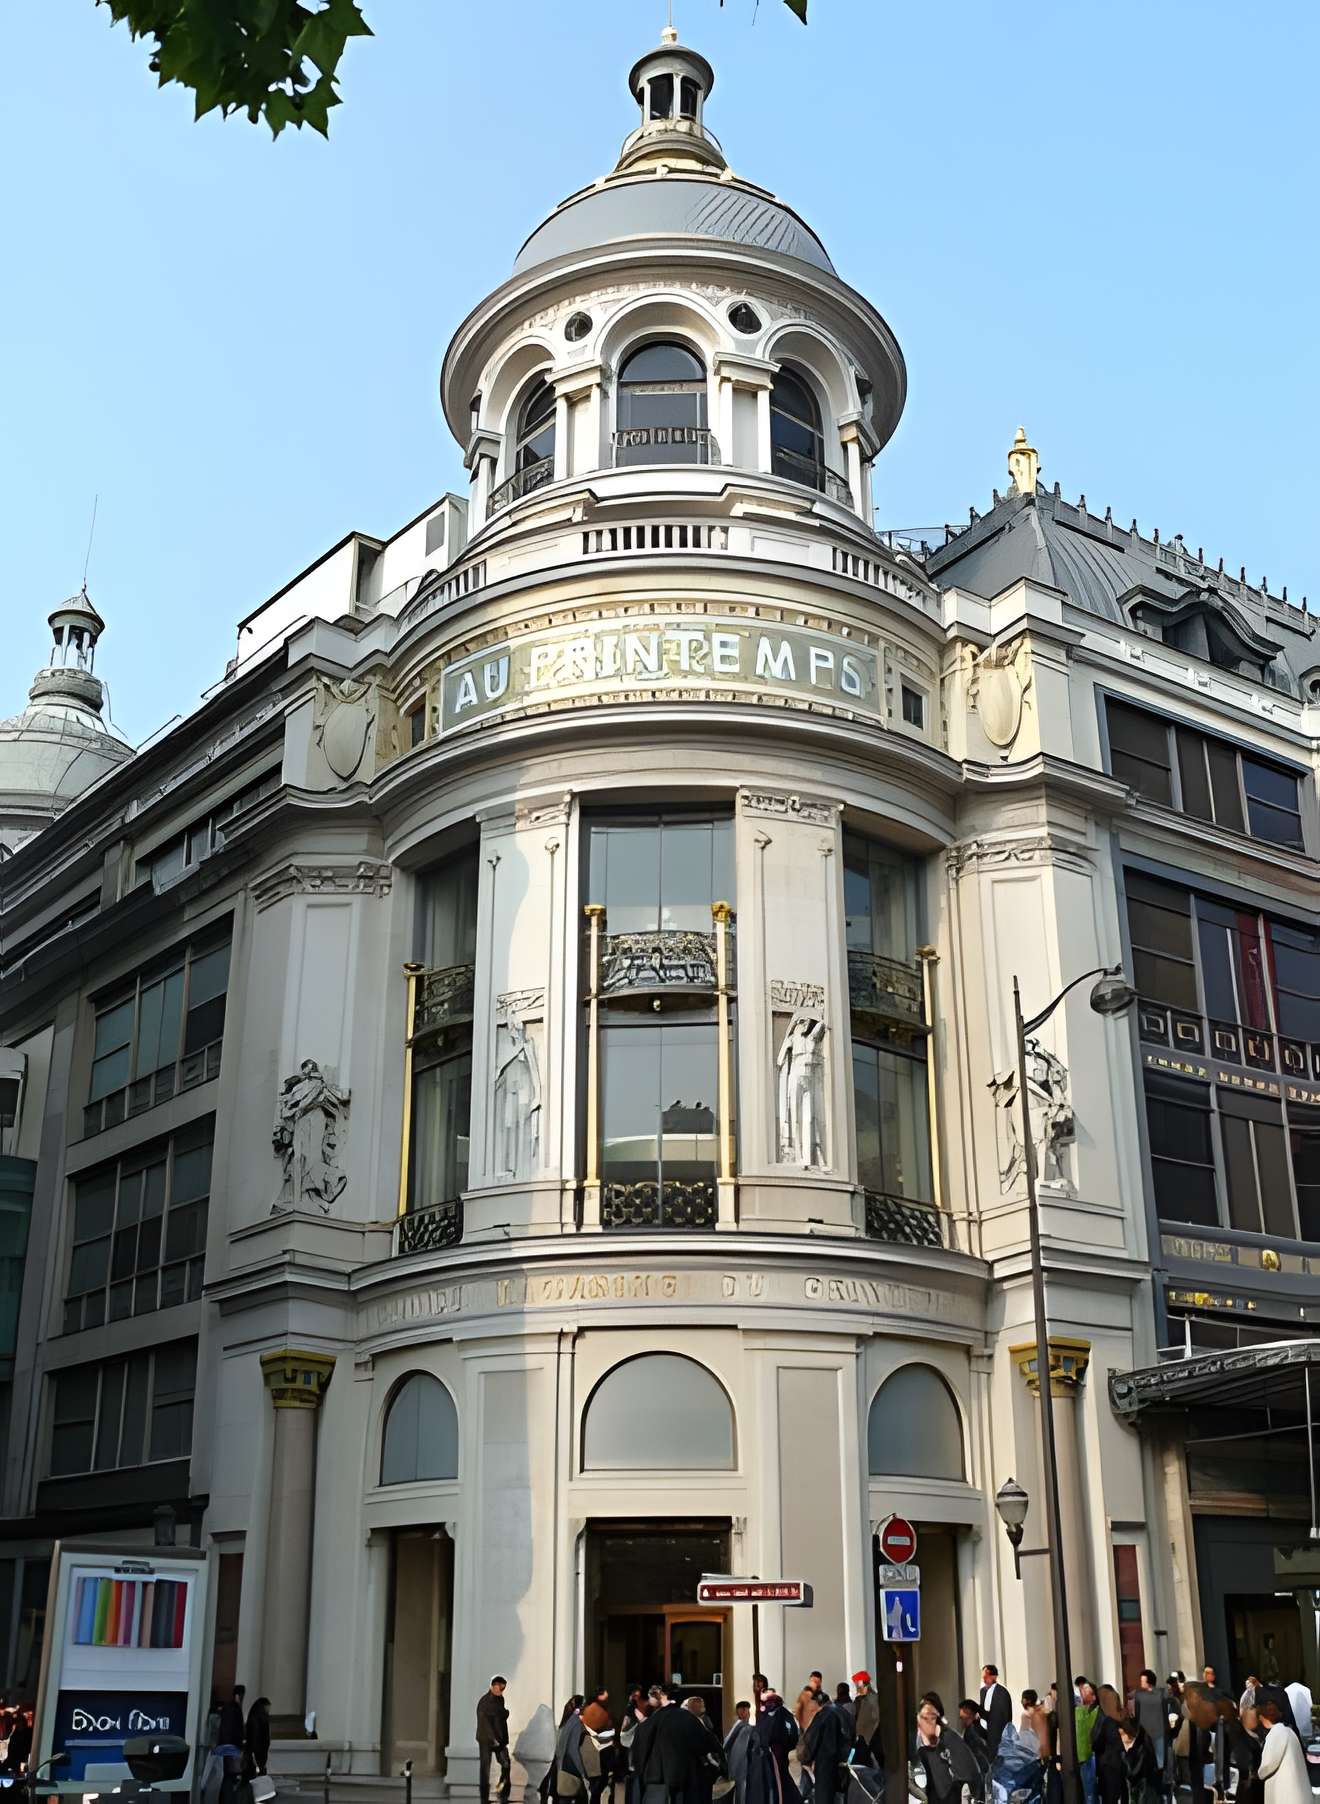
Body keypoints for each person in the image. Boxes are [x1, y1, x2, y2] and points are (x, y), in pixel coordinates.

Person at [633, 1682, 720, 1804]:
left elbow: (638, 1753)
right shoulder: (688, 1719)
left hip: (656, 1784)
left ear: (661, 1694)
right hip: (684, 1783)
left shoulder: (650, 1722)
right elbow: (707, 1744)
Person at [745, 1693, 798, 1804]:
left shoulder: (767, 1715)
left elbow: (760, 1734)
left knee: (775, 1778)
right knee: (780, 1777)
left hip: (770, 1753)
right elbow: (793, 1736)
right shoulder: (784, 1714)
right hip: (776, 1753)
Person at [1258, 1697, 1310, 1804]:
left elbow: (1267, 1766)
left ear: (1262, 1717)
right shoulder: (1289, 1731)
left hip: (1285, 1795)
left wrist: (1258, 1773)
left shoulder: (1277, 1733)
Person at [800, 1692, 849, 1804]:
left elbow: (812, 1738)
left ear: (818, 1702)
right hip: (844, 1763)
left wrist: (805, 1757)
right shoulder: (843, 1711)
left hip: (825, 1764)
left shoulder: (823, 1715)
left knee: (824, 1798)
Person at [477, 1676, 512, 1804]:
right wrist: (493, 1739)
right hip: (486, 1739)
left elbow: (500, 1716)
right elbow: (484, 1723)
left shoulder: (499, 1699)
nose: (502, 1691)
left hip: (500, 1738)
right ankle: (484, 1799)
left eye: (504, 1688)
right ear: (493, 1686)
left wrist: (505, 1713)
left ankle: (503, 1792)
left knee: (506, 1763)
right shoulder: (484, 1702)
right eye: (501, 1688)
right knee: (485, 1769)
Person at [1131, 1672, 1168, 1787]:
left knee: (1151, 1758)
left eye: (1143, 1680)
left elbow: (1137, 1714)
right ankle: (1158, 1783)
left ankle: (1153, 1784)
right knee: (1158, 1759)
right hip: (1154, 1731)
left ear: (1149, 1682)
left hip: (1149, 1731)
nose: (1141, 1682)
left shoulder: (1139, 1695)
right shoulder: (1160, 1694)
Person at [1118, 1718, 1160, 1804]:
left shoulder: (1144, 1740)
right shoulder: (1144, 1737)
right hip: (1146, 1778)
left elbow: (1136, 1767)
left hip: (1144, 1778)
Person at [216, 1686, 246, 1804]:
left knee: (228, 1776)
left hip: (227, 1747)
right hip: (230, 1747)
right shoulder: (234, 1709)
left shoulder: (230, 1708)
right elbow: (230, 1730)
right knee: (230, 1775)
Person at [1074, 1679, 1100, 1804]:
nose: (1082, 1692)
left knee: (1090, 1792)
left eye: (1086, 1690)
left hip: (1090, 1756)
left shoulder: (1097, 1712)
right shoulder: (1078, 1711)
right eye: (1081, 1690)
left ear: (1094, 1697)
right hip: (1077, 1758)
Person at [851, 1674, 884, 1771]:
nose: (856, 1687)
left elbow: (876, 1719)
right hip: (864, 1739)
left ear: (861, 1683)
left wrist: (869, 1738)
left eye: (857, 1684)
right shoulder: (862, 1699)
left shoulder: (872, 1699)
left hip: (869, 1740)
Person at [979, 1666, 1012, 1762]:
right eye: (983, 1677)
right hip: (984, 1735)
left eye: (986, 1676)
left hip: (998, 1735)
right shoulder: (982, 1691)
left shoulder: (1002, 1693)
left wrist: (1005, 1738)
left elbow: (1006, 1716)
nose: (984, 1679)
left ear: (994, 1676)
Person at [724, 1703, 755, 1804]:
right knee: (742, 1793)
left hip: (740, 1767)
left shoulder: (741, 1726)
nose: (749, 1712)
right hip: (741, 1767)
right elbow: (728, 1746)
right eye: (747, 1710)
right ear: (741, 1711)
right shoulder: (743, 1727)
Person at [243, 1697, 271, 1781]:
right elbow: (255, 1736)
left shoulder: (256, 1717)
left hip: (257, 1751)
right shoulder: (259, 1719)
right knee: (258, 1775)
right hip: (258, 1751)